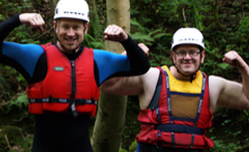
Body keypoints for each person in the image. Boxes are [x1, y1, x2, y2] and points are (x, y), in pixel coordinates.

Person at [0, 0, 150, 152]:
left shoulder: (98, 60)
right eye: (65, 27)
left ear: (86, 28)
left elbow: (141, 66)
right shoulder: (36, 56)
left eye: (76, 27)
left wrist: (126, 40)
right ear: (56, 26)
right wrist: (18, 19)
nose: (70, 33)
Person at [100, 27, 249, 152]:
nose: (187, 57)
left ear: (202, 56)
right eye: (181, 52)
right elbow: (108, 84)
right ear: (173, 56)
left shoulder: (214, 86)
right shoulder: (152, 77)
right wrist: (130, 54)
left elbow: (246, 99)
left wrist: (243, 67)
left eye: (193, 52)